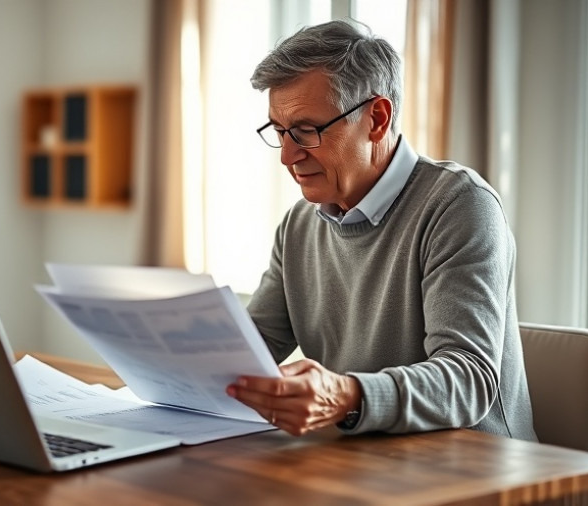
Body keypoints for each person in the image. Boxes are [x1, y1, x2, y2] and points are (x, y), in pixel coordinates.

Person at [225, 19, 537, 441]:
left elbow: (468, 381)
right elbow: (248, 354)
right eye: (279, 132)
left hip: (477, 469)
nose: (287, 156)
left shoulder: (459, 206)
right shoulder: (299, 226)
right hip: (360, 460)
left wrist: (346, 395)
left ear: (376, 117)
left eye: (305, 131)